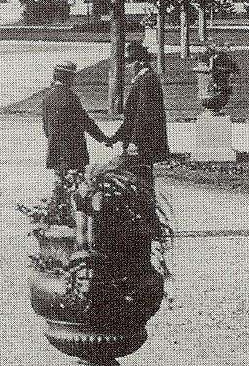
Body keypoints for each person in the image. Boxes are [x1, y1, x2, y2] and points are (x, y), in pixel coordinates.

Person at [41, 60, 111, 248]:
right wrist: (104, 139)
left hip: (56, 153)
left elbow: (46, 129)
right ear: (67, 77)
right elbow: (86, 122)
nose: (73, 80)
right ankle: (81, 233)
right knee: (79, 191)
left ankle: (61, 218)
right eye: (72, 77)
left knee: (62, 185)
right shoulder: (70, 98)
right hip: (74, 153)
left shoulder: (47, 98)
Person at [110, 41, 170, 202]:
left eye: (130, 62)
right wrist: (115, 137)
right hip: (139, 141)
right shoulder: (143, 79)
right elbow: (132, 117)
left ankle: (146, 214)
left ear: (140, 62)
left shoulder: (147, 80)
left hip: (143, 143)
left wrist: (135, 142)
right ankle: (142, 211)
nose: (128, 67)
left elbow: (144, 115)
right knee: (135, 178)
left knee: (141, 178)